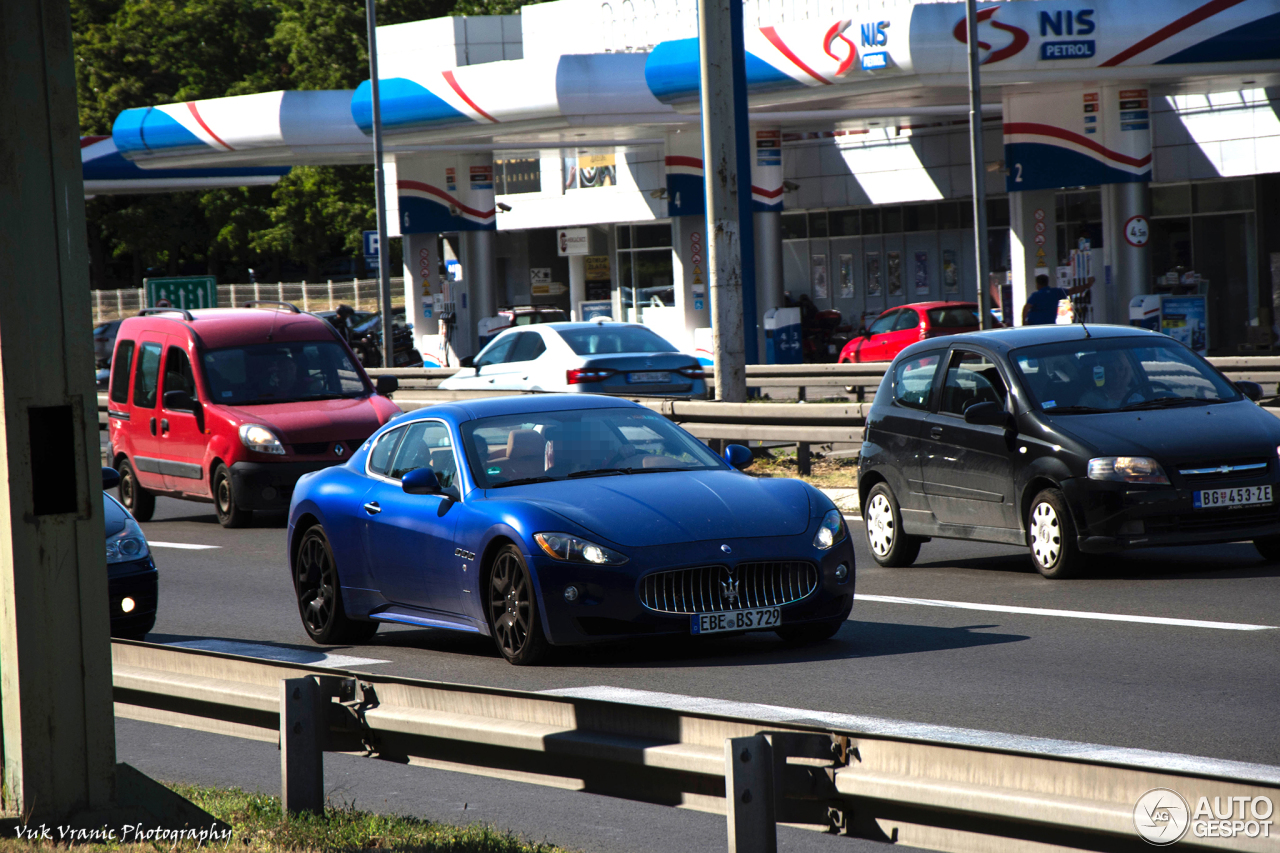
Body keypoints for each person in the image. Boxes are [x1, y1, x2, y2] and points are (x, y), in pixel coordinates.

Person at [1076, 349, 1144, 409]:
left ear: (1126, 372)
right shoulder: (1090, 399)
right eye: (1111, 370)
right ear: (1104, 372)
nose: (1117, 374)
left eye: (1120, 369)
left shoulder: (1136, 397)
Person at [1022, 274, 1095, 326]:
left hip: (1035, 326)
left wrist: (1024, 322)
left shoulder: (1035, 295)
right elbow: (1073, 290)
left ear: (1037, 284)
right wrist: (1087, 285)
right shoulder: (1056, 292)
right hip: (1049, 325)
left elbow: (1026, 308)